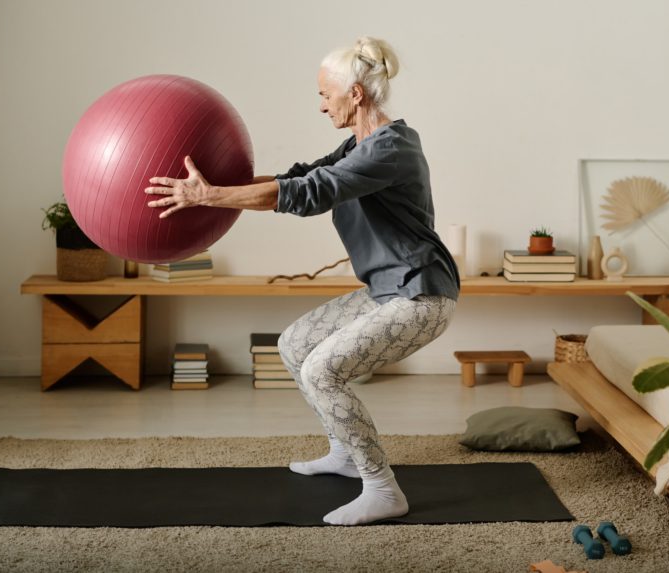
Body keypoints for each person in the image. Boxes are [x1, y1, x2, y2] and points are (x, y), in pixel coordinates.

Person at [144, 36, 460, 525]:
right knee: (293, 345)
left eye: (324, 94)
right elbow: (303, 174)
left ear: (354, 93)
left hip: (421, 293)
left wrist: (209, 197)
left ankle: (382, 488)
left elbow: (312, 193)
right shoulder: (360, 143)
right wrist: (215, 186)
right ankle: (345, 452)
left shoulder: (390, 148)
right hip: (386, 290)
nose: (320, 104)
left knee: (321, 371)